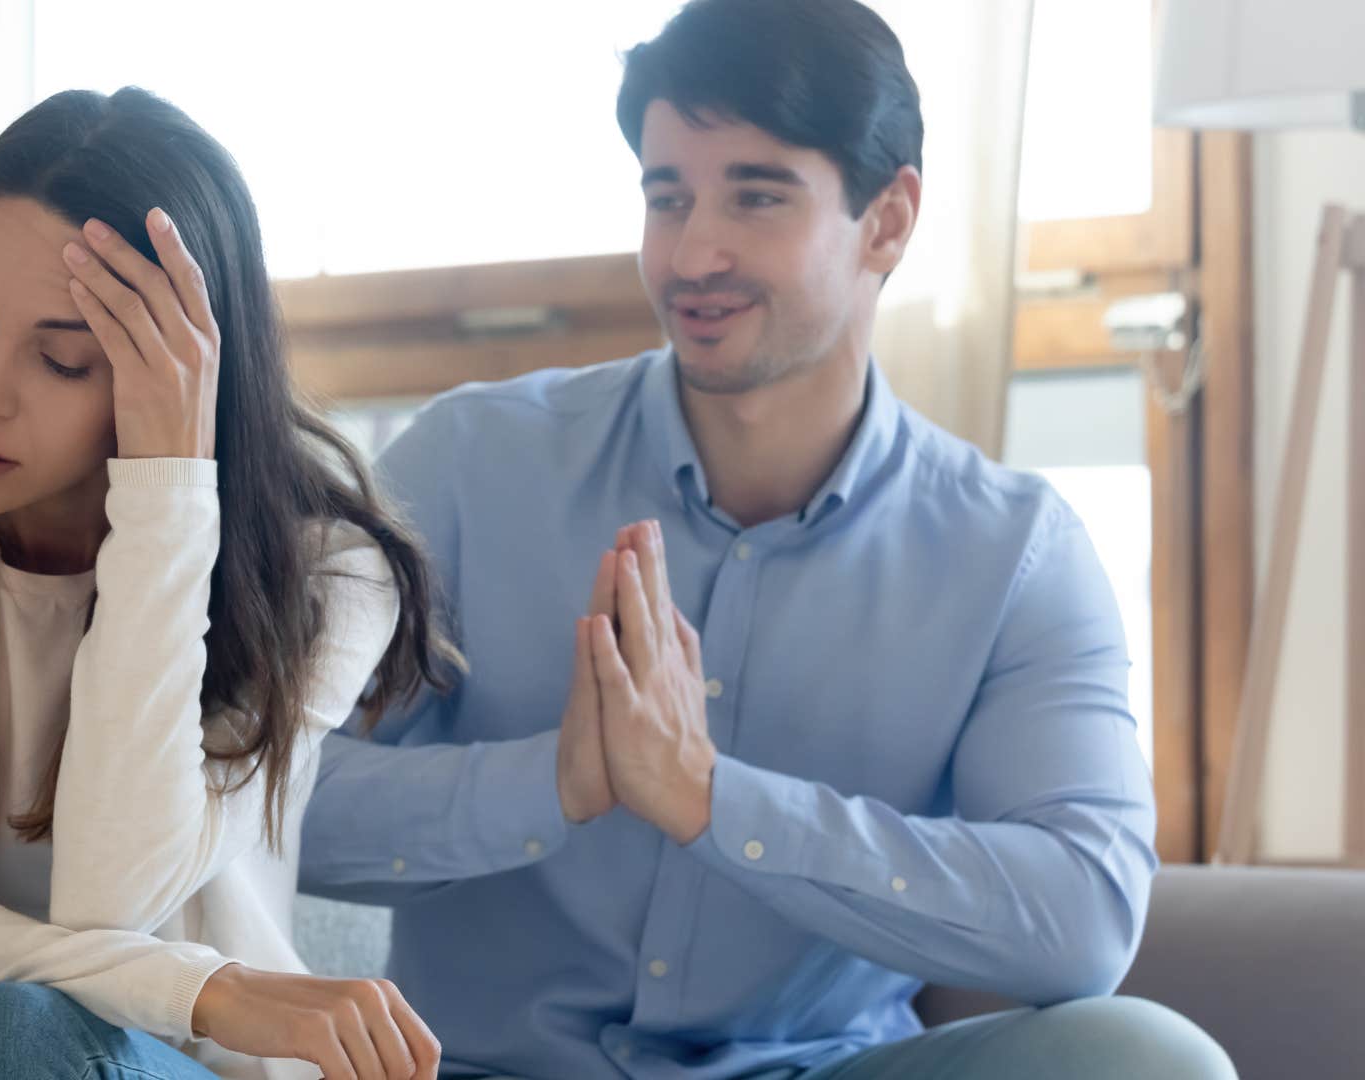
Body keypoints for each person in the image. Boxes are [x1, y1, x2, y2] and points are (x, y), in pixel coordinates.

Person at [298, 2, 1235, 1077]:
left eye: (756, 195)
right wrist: (549, 787)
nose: (695, 252)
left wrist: (711, 800)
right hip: (484, 1068)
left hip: (821, 1067)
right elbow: (266, 793)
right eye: (669, 196)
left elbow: (1082, 920)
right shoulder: (470, 463)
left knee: (1152, 1060)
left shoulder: (1015, 554)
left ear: (887, 221)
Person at [0, 87, 445, 1080]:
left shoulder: (326, 578)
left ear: (185, 379)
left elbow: (115, 891)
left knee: (24, 1030)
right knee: (15, 1029)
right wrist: (203, 988)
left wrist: (167, 492)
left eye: (63, 360)